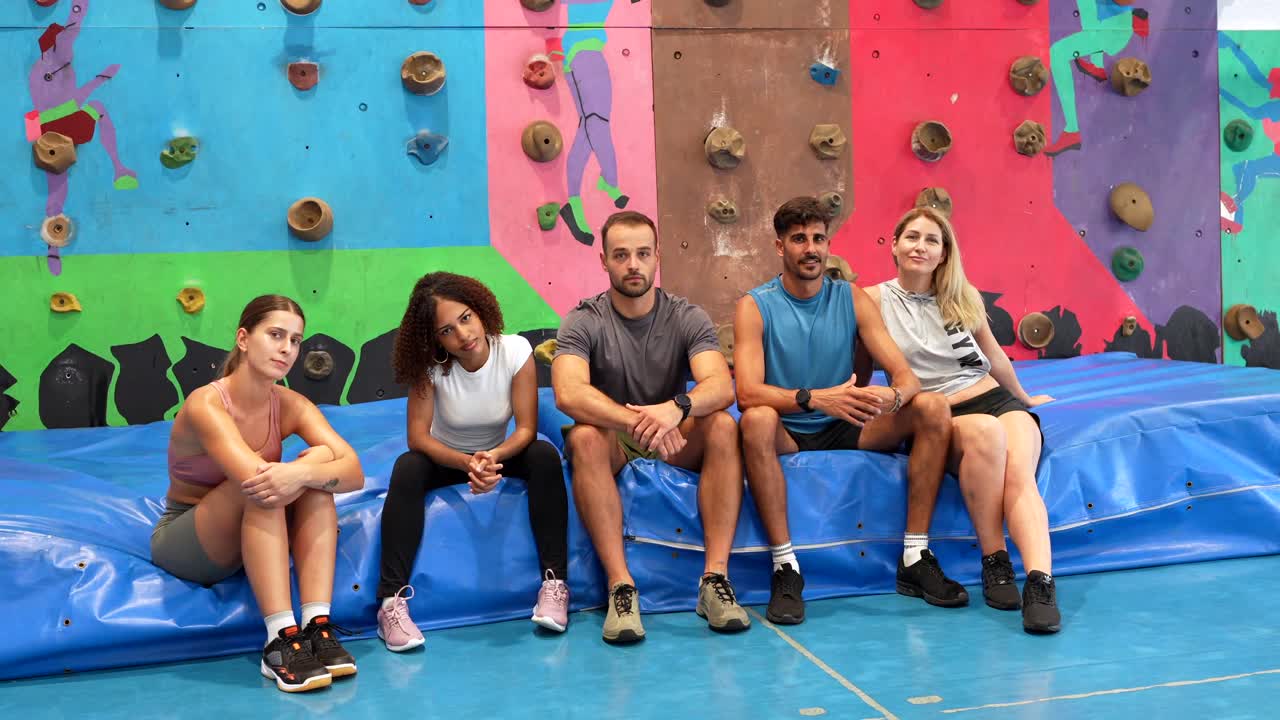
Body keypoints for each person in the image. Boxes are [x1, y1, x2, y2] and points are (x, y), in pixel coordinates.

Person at [735, 197, 975, 626]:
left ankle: (916, 555)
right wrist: (815, 398)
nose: (810, 248)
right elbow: (748, 394)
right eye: (798, 239)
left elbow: (907, 379)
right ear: (779, 247)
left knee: (934, 408)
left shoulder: (851, 298)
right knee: (755, 421)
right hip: (787, 428)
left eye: (818, 239)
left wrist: (892, 398)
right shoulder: (755, 305)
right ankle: (785, 567)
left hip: (847, 422)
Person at [552, 210, 749, 643]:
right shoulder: (584, 319)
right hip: (615, 439)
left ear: (658, 256)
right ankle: (621, 587)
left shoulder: (686, 315)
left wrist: (677, 408)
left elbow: (720, 386)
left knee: (720, 426)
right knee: (583, 437)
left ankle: (714, 580)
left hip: (672, 433)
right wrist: (641, 418)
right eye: (621, 255)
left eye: (642, 253)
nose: (633, 265)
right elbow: (568, 393)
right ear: (603, 261)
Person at [152, 295, 365, 693]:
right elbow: (256, 479)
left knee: (313, 486)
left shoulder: (290, 404)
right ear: (244, 339)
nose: (287, 348)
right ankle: (279, 639)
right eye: (275, 335)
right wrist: (315, 463)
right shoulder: (207, 403)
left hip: (253, 528)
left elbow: (354, 473)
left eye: (296, 340)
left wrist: (305, 469)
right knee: (268, 485)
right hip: (190, 537)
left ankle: (317, 625)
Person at [866, 206, 1061, 634]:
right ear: (894, 245)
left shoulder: (960, 294)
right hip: (941, 410)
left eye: (931, 240)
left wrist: (1024, 397)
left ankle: (1040, 583)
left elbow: (993, 357)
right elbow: (860, 362)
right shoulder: (872, 300)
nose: (921, 246)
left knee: (1019, 474)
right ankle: (994, 560)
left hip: (993, 397)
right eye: (912, 237)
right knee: (989, 438)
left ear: (943, 253)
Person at [375, 272, 570, 652]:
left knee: (545, 456)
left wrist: (492, 459)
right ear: (434, 338)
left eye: (466, 318)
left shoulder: (514, 351)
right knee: (407, 466)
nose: (463, 335)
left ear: (480, 310)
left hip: (500, 453)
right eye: (448, 330)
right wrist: (468, 465)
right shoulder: (429, 368)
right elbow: (419, 437)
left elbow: (527, 428)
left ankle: (555, 583)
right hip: (447, 457)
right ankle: (390, 602)